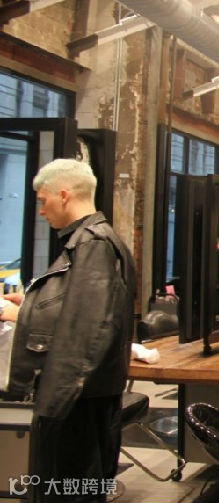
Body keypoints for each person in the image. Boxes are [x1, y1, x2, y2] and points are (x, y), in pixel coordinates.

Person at [0, 158, 136, 503]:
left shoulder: (92, 244)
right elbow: (78, 308)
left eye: (43, 201)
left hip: (79, 402)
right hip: (82, 397)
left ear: (63, 195)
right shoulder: (89, 241)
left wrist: (52, 406)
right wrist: (32, 304)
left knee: (70, 493)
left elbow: (88, 332)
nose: (41, 211)